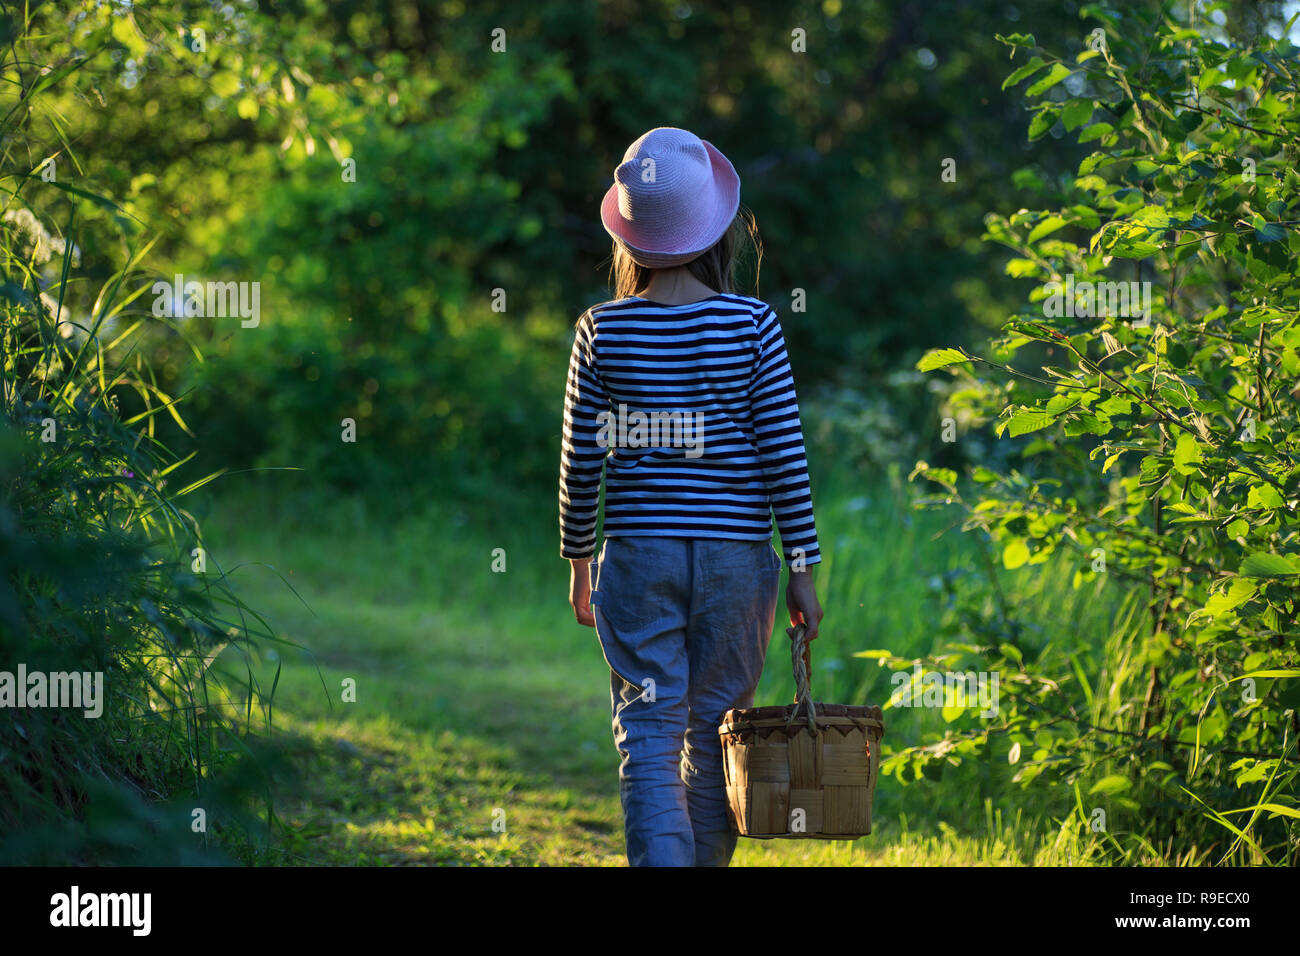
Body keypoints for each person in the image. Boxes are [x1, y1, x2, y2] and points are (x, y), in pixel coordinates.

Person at [558, 127, 823, 867]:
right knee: (717, 730)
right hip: (738, 563)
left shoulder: (600, 329)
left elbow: (583, 461)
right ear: (715, 230)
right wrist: (801, 565)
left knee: (648, 734)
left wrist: (579, 562)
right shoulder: (753, 325)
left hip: (638, 557)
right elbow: (783, 456)